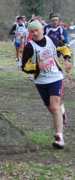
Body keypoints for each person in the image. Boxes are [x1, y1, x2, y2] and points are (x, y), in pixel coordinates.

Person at [22, 19, 72, 148]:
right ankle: (61, 112)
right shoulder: (29, 47)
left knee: (54, 106)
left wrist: (67, 60)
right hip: (41, 81)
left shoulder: (52, 40)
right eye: (32, 31)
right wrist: (36, 66)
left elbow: (64, 48)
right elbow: (24, 67)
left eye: (37, 30)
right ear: (30, 33)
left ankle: (59, 137)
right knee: (52, 108)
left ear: (42, 29)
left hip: (56, 77)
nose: (35, 33)